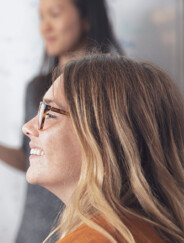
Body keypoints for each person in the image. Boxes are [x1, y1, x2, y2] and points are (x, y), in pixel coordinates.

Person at [0, 0, 123, 241]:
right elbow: (30, 159)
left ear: (86, 18)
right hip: (34, 229)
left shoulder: (115, 91)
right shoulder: (35, 88)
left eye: (54, 14)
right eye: (41, 17)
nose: (45, 27)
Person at [22, 54, 184, 243]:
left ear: (104, 135)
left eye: (49, 114)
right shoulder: (149, 231)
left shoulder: (95, 239)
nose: (27, 127)